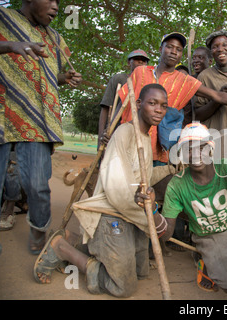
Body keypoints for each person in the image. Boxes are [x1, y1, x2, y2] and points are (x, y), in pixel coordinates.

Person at [33, 84, 173, 297]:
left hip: (129, 213)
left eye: (163, 106)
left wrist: (172, 168)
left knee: (140, 271)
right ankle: (63, 248)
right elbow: (117, 189)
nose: (158, 110)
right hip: (112, 213)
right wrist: (148, 215)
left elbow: (142, 177)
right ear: (138, 104)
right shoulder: (125, 133)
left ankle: (76, 242)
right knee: (124, 287)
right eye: (152, 103)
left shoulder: (145, 138)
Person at [136, 121, 227, 293]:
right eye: (188, 149)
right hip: (210, 237)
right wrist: (152, 209)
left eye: (202, 147)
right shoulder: (177, 185)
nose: (196, 154)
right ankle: (206, 261)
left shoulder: (226, 166)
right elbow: (167, 234)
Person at [117, 32, 227, 165]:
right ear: (161, 49)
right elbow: (123, 104)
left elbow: (218, 96)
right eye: (170, 47)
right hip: (129, 141)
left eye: (178, 49)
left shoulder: (184, 81)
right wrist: (111, 131)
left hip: (160, 150)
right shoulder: (140, 72)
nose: (174, 51)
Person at [0, 1, 82, 257]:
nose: (56, 6)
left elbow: (48, 74)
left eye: (59, 2)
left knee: (37, 185)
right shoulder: (3, 18)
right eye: (50, 0)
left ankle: (38, 228)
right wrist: (11, 45)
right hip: (1, 111)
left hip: (37, 120)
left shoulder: (54, 37)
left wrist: (64, 78)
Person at [98, 49, 150, 144]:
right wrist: (100, 138)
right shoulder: (119, 79)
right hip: (114, 132)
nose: (140, 62)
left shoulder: (148, 85)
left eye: (144, 60)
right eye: (136, 59)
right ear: (129, 62)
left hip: (136, 135)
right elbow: (105, 107)